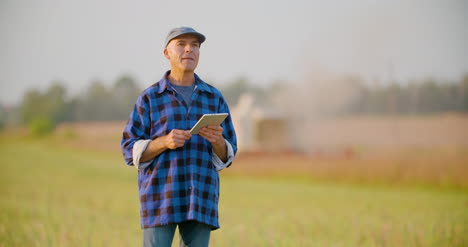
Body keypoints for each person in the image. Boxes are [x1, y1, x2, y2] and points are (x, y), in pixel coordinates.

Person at [121, 27, 237, 247]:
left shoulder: (214, 97)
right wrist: (164, 142)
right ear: (167, 53)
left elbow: (229, 152)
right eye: (181, 44)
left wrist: (218, 142)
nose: (189, 50)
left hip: (201, 197)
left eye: (195, 45)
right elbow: (129, 149)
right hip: (160, 198)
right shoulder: (149, 98)